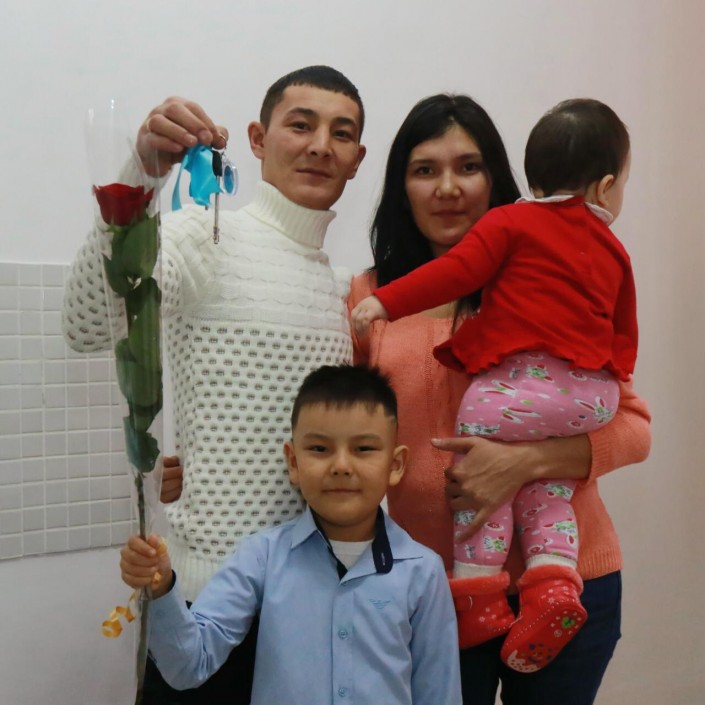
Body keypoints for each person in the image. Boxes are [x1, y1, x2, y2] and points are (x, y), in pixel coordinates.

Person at [62, 65, 366, 704]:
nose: (320, 146)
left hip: (310, 611)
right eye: (301, 125)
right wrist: (141, 175)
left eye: (341, 133)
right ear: (257, 138)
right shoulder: (205, 235)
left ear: (357, 158)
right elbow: (87, 323)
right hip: (202, 605)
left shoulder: (338, 285)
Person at [347, 94, 651, 705]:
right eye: (425, 169)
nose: (448, 188)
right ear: (401, 185)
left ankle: (544, 578)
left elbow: (633, 430)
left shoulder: (547, 274)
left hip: (573, 582)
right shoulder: (367, 297)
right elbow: (347, 437)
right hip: (434, 593)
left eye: (469, 166)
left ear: (500, 179)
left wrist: (523, 463)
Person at [119, 364, 462, 705]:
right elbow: (188, 665)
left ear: (395, 465)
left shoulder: (423, 572)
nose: (341, 466)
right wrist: (160, 587)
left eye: (363, 449)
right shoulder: (262, 557)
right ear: (293, 462)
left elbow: (440, 693)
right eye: (320, 449)